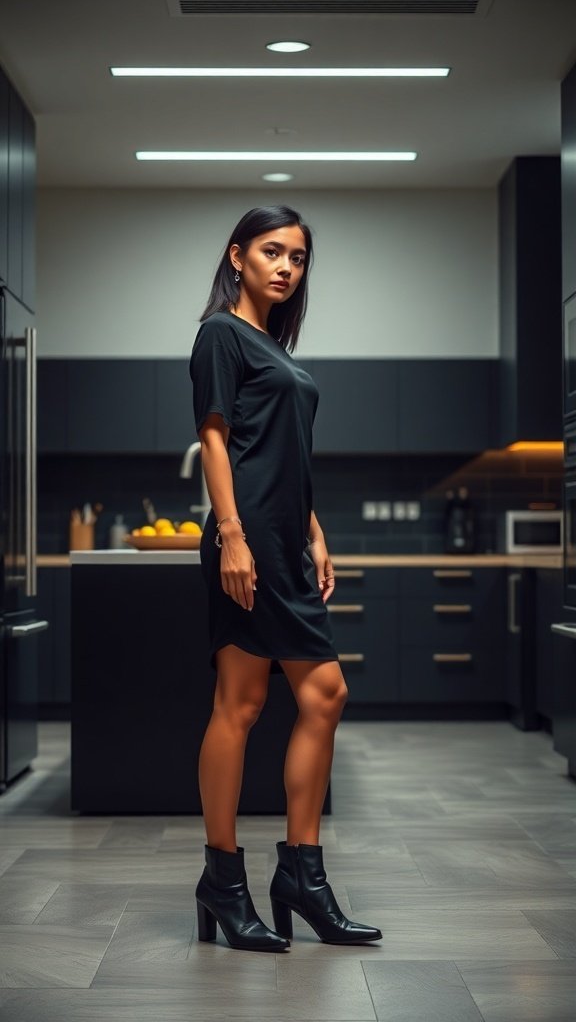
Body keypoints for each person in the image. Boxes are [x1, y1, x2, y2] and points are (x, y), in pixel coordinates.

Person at [189, 205, 382, 953]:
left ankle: (300, 875)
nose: (286, 267)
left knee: (319, 695)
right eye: (272, 251)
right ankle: (224, 878)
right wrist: (232, 535)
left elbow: (285, 453)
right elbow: (214, 435)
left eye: (298, 258)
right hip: (247, 543)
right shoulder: (220, 335)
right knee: (241, 704)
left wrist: (314, 531)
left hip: (285, 540)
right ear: (237, 255)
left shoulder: (274, 346)